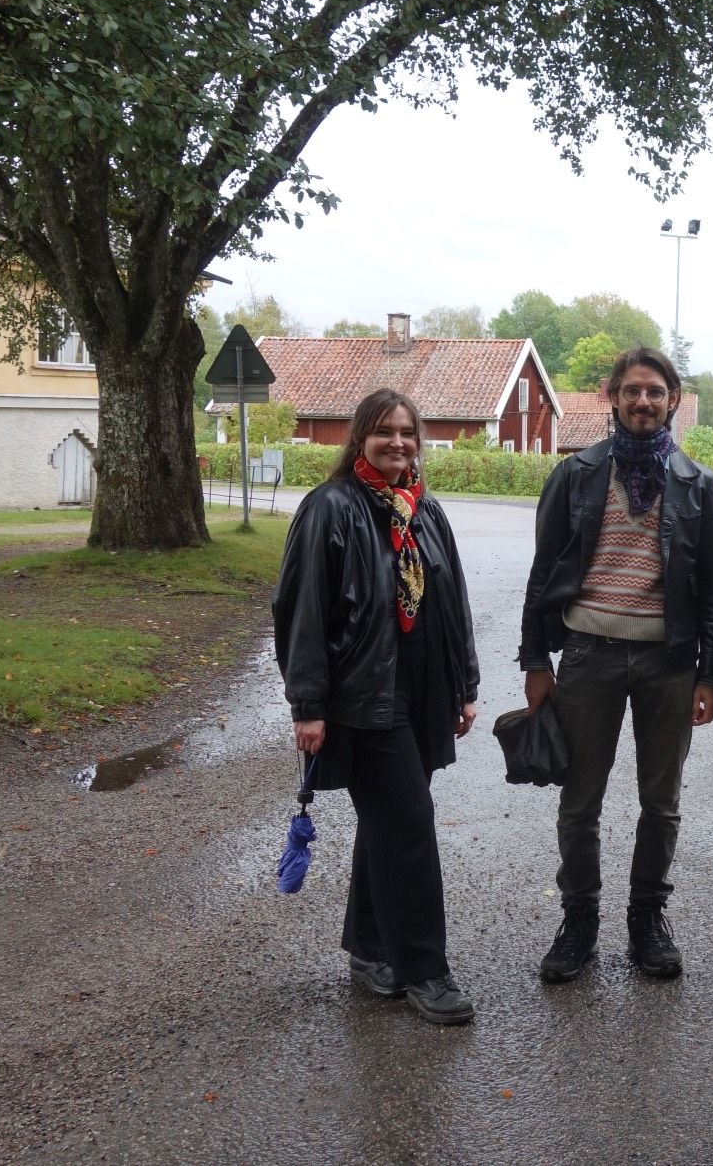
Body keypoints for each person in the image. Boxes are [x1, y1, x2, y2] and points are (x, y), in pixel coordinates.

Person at [518, 347, 713, 983]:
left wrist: (711, 674)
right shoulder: (576, 475)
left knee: (660, 803)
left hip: (669, 663)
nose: (643, 402)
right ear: (613, 397)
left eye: (655, 392)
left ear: (672, 401)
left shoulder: (698, 484)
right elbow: (543, 573)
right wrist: (536, 659)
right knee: (580, 802)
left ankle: (647, 920)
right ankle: (579, 921)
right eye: (632, 391)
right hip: (588, 656)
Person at [273, 388, 480, 1026]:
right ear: (359, 438)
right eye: (384, 432)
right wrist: (308, 705)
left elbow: (453, 603)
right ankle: (424, 971)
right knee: (410, 825)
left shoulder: (424, 511)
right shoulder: (329, 508)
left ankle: (368, 949)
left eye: (407, 432)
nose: (398, 442)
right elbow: (302, 611)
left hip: (420, 692)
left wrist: (464, 686)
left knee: (389, 822)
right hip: (363, 698)